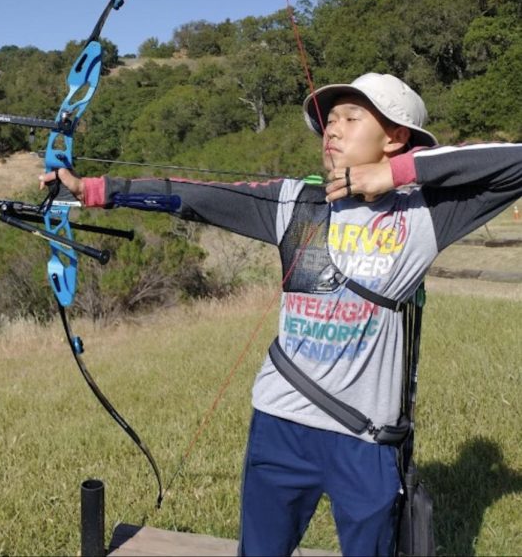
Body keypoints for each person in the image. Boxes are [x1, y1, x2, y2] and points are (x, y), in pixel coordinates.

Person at [39, 72, 522, 556]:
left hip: (365, 436)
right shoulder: (294, 201)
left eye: (352, 118)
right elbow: (194, 196)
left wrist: (395, 176)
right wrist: (93, 190)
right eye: (329, 120)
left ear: (395, 138)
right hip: (281, 420)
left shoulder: (426, 212)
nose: (331, 129)